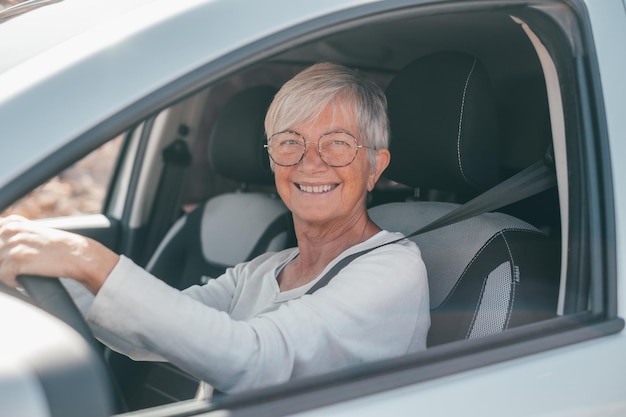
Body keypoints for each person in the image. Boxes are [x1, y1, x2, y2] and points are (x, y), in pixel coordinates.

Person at [0, 63, 430, 394]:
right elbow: (150, 328)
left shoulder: (393, 268)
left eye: (337, 142)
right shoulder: (264, 269)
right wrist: (37, 271)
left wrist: (90, 260)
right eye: (289, 141)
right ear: (273, 158)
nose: (309, 160)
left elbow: (255, 359)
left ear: (375, 167)